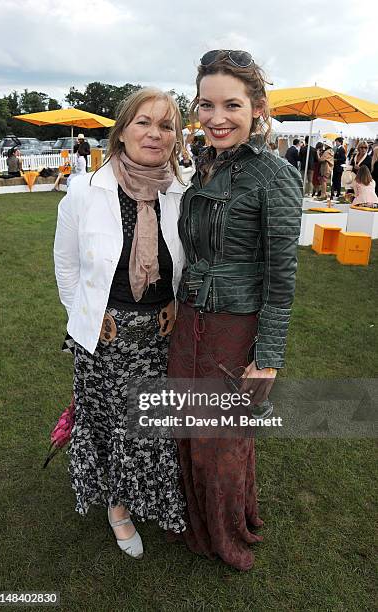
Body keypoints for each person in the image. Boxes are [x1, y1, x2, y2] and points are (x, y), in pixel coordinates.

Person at [167, 49, 303, 571]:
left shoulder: (274, 177)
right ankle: (200, 524)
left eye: (231, 105)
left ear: (258, 109)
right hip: (190, 321)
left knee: (221, 440)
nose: (217, 118)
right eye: (206, 105)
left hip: (233, 327)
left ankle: (226, 538)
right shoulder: (206, 167)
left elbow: (281, 276)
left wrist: (267, 355)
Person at [54, 88, 187, 560]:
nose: (155, 133)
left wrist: (170, 298)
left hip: (157, 337)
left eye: (166, 125)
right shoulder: (84, 191)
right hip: (104, 339)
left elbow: (182, 262)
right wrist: (85, 316)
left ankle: (145, 492)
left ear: (176, 136)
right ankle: (117, 507)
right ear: (123, 128)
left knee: (146, 424)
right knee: (112, 424)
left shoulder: (180, 191)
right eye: (143, 122)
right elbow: (66, 266)